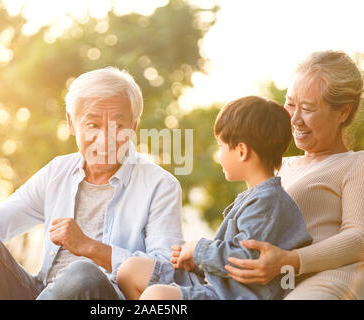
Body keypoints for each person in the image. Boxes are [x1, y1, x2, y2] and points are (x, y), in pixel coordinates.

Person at [0, 67, 184, 300]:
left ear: (134, 127)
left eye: (118, 126)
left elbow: (166, 274)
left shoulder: (161, 186)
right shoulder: (58, 171)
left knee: (84, 273)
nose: (105, 139)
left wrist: (90, 248)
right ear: (72, 123)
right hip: (39, 292)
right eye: (92, 125)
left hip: (102, 297)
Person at [116, 96, 313, 300]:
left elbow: (247, 258)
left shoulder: (268, 203)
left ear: (242, 151)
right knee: (130, 270)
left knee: (157, 296)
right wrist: (200, 262)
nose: (218, 154)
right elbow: (231, 256)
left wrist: (199, 250)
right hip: (219, 286)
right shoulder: (256, 198)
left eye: (221, 146)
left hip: (234, 295)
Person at [224, 51, 364, 300]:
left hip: (323, 279)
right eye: (290, 104)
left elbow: (358, 238)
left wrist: (289, 261)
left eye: (308, 109)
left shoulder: (355, 164)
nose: (294, 119)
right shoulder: (275, 165)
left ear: (343, 112)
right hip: (263, 283)